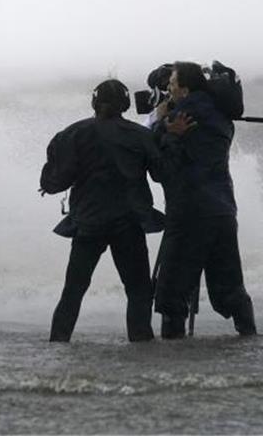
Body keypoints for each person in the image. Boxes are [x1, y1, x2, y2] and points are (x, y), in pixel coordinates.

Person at [39, 79, 183, 342]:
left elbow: (53, 183)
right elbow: (163, 174)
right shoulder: (141, 135)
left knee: (73, 290)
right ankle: (140, 344)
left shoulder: (70, 134)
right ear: (125, 105)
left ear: (94, 103)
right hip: (129, 223)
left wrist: (50, 165)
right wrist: (170, 136)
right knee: (138, 290)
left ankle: (58, 344)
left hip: (88, 223)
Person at [152, 61, 257, 338]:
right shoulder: (220, 115)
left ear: (185, 90)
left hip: (189, 212)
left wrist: (158, 122)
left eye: (172, 85)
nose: (168, 91)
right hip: (222, 211)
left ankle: (172, 356)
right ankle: (250, 339)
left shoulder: (180, 117)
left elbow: (159, 162)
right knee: (230, 288)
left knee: (171, 294)